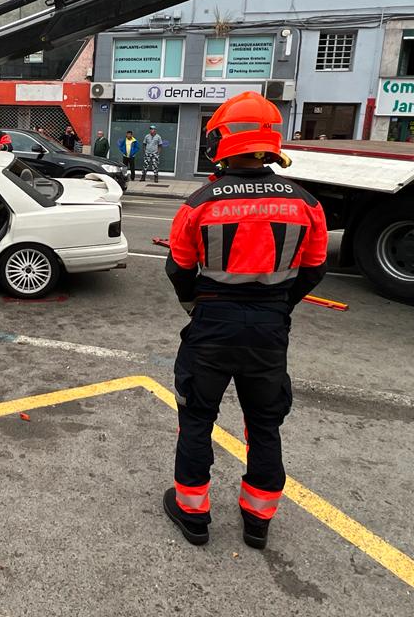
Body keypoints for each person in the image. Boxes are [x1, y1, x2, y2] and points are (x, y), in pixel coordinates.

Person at [162, 91, 328, 551]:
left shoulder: (200, 202)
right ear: (270, 143)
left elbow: (178, 269)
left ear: (223, 141)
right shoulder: (305, 203)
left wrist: (199, 306)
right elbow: (314, 269)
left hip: (212, 323)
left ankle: (193, 514)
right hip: (270, 327)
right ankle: (258, 521)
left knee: (196, 419)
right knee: (264, 423)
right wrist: (279, 305)